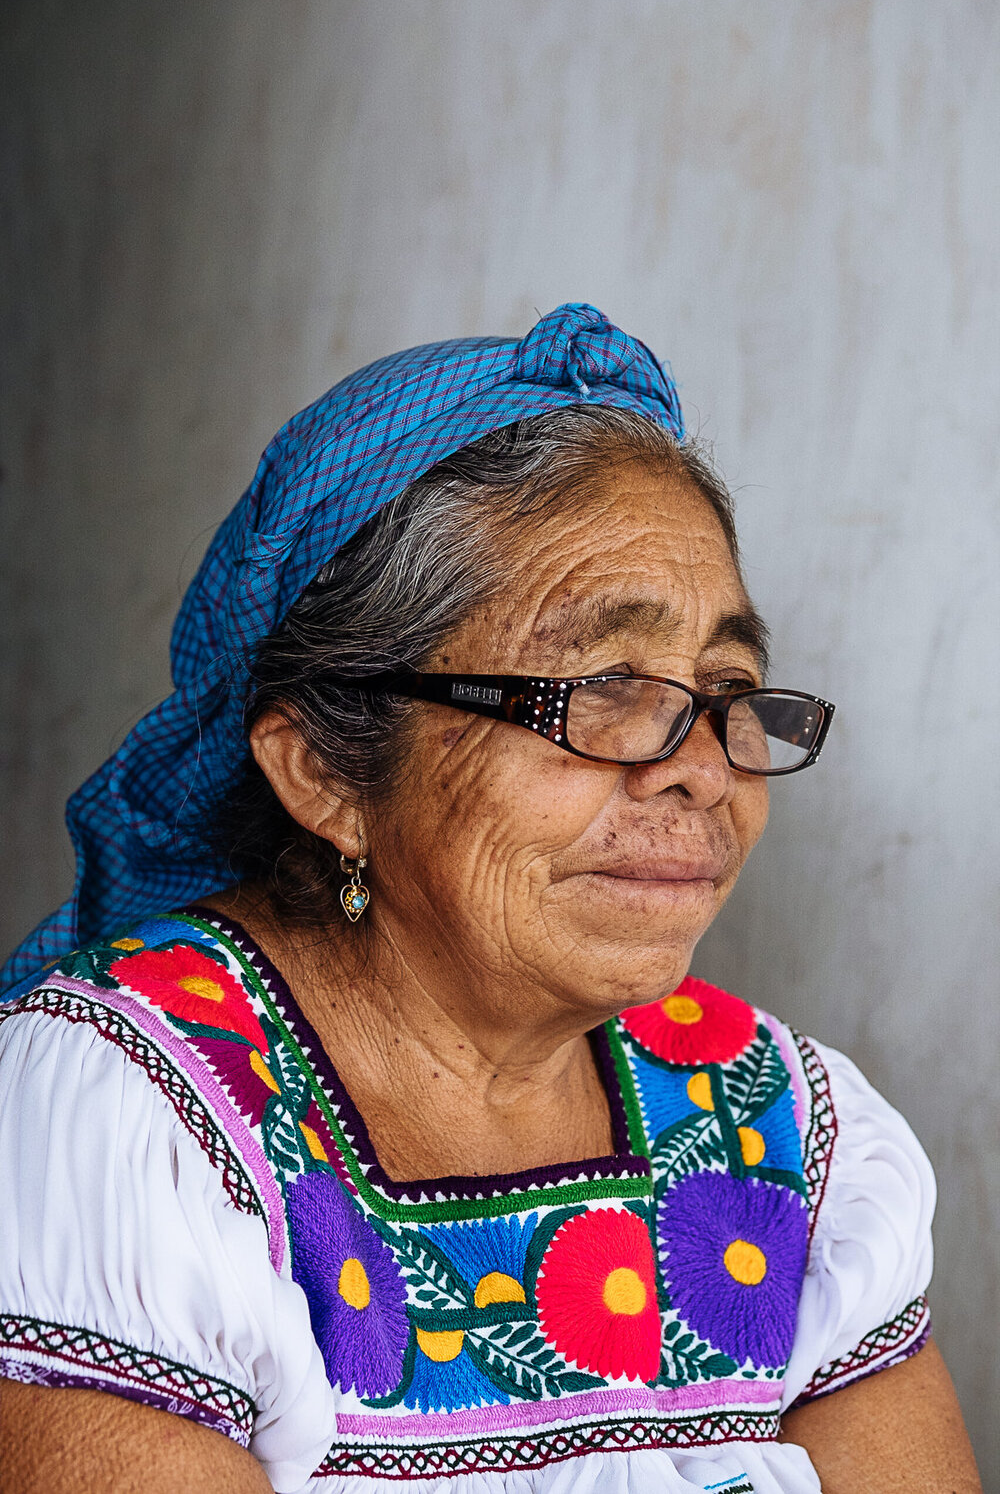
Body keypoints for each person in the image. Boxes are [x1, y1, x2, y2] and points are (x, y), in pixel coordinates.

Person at [0, 304, 981, 1494]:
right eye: (602, 686)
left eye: (728, 684)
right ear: (324, 770)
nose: (701, 766)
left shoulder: (783, 1132)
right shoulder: (138, 1126)